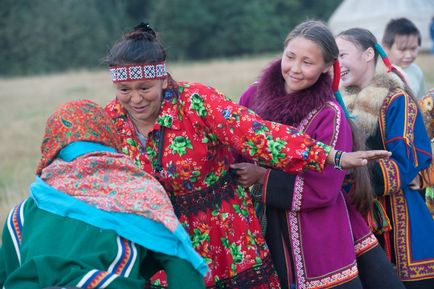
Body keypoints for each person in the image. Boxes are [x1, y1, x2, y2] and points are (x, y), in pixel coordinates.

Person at [103, 23, 390, 288]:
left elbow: (258, 136)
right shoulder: (109, 121)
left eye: (144, 88)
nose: (136, 99)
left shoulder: (196, 103)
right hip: (163, 240)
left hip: (226, 236)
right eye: (124, 90)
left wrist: (332, 157)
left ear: (163, 81)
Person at [232, 20, 404, 289]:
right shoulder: (252, 97)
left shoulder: (329, 114)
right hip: (260, 227)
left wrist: (263, 178)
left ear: (327, 67)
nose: (295, 69)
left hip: (317, 233)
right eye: (290, 57)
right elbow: (234, 150)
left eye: (307, 63)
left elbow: (323, 188)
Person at [0, 100, 207, 289]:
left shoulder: (19, 216)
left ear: (51, 146)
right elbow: (180, 261)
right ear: (109, 135)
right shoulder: (141, 195)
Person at [336, 27, 434, 289]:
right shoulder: (340, 104)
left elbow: (404, 164)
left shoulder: (397, 100)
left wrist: (347, 175)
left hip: (403, 224)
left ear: (369, 54)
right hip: (359, 220)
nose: (337, 64)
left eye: (342, 54)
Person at [382, 17, 426, 99]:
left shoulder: (416, 71)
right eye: (402, 49)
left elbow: (421, 102)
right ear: (386, 47)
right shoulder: (381, 74)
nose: (408, 55)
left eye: (413, 48)